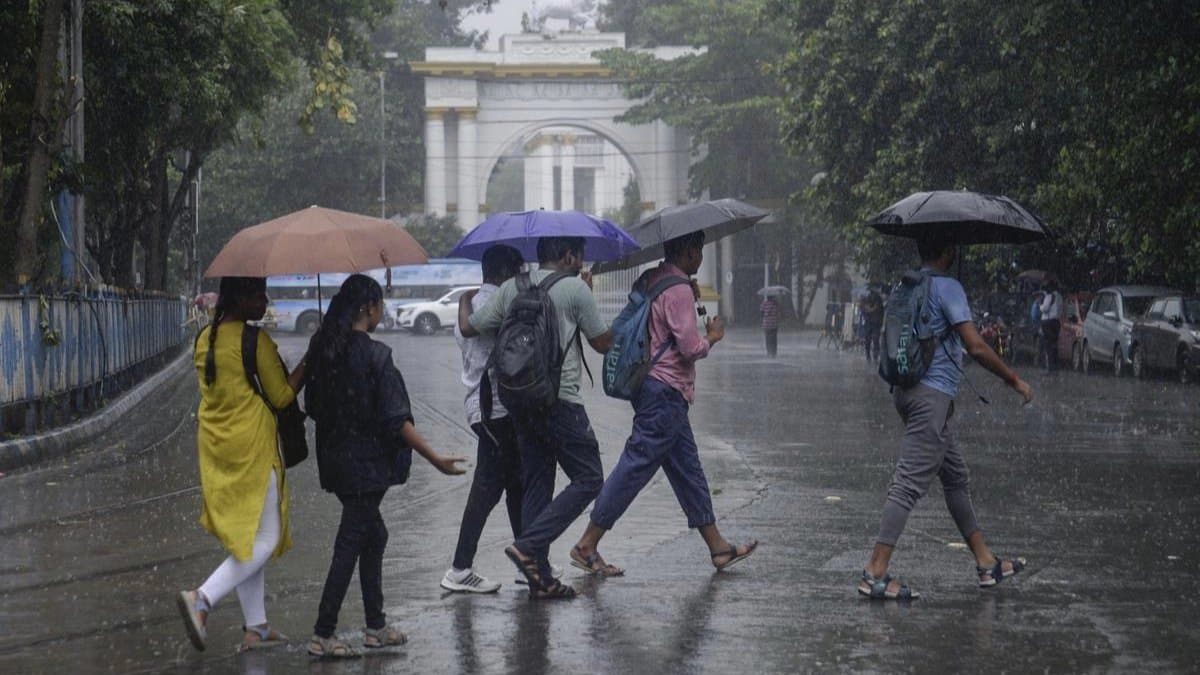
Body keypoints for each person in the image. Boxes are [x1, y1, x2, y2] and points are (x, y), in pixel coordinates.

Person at [570, 231, 758, 576]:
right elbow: (689, 348)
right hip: (665, 391)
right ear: (689, 251)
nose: (701, 257)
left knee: (688, 470)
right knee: (635, 466)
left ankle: (718, 547)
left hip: (653, 388)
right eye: (699, 250)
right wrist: (712, 337)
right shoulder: (679, 289)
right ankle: (587, 544)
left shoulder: (653, 278)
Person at [858, 238, 1033, 601]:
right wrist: (1013, 379)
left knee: (955, 477)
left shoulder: (906, 285)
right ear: (948, 251)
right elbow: (976, 346)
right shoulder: (948, 287)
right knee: (907, 484)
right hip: (931, 399)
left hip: (906, 391)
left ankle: (986, 562)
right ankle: (875, 571)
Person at [304, 274, 466, 657]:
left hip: (336, 464)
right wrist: (436, 459)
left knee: (374, 535)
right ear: (369, 308)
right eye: (380, 304)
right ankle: (323, 633)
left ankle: (376, 626)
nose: (383, 311)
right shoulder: (375, 356)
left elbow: (312, 406)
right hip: (367, 468)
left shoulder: (324, 350)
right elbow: (397, 421)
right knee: (350, 543)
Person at [458, 236, 613, 600]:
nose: (581, 263)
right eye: (579, 256)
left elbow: (471, 326)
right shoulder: (575, 289)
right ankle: (528, 546)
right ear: (568, 256)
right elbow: (602, 343)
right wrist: (589, 300)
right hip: (561, 400)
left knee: (538, 483)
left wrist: (465, 298)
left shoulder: (512, 287)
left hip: (521, 400)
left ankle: (539, 579)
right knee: (589, 477)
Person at [176, 277, 306, 652]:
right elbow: (281, 396)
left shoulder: (205, 338)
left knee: (249, 538)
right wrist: (309, 362)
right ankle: (202, 598)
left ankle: (256, 627)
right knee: (265, 539)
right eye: (257, 295)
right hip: (253, 450)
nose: (264, 301)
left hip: (220, 449)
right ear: (238, 299)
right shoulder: (254, 341)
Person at [441, 245, 527, 594]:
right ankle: (460, 568)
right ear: (506, 272)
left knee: (515, 485)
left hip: (481, 408)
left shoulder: (471, 302)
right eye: (519, 271)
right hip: (497, 410)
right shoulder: (499, 304)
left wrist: (466, 297)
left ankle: (527, 561)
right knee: (488, 489)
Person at [1039, 280, 1063, 373]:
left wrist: (1040, 304)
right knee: (1054, 344)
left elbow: (1045, 309)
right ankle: (1056, 367)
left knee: (1048, 345)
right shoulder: (1060, 297)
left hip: (1048, 322)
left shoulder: (1049, 296)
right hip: (1056, 322)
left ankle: (1050, 368)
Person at [862, 287, 884, 362]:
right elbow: (865, 309)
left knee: (874, 340)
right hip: (871, 322)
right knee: (870, 340)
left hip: (875, 323)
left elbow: (879, 311)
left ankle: (874, 356)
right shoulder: (868, 299)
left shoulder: (878, 300)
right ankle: (870, 356)